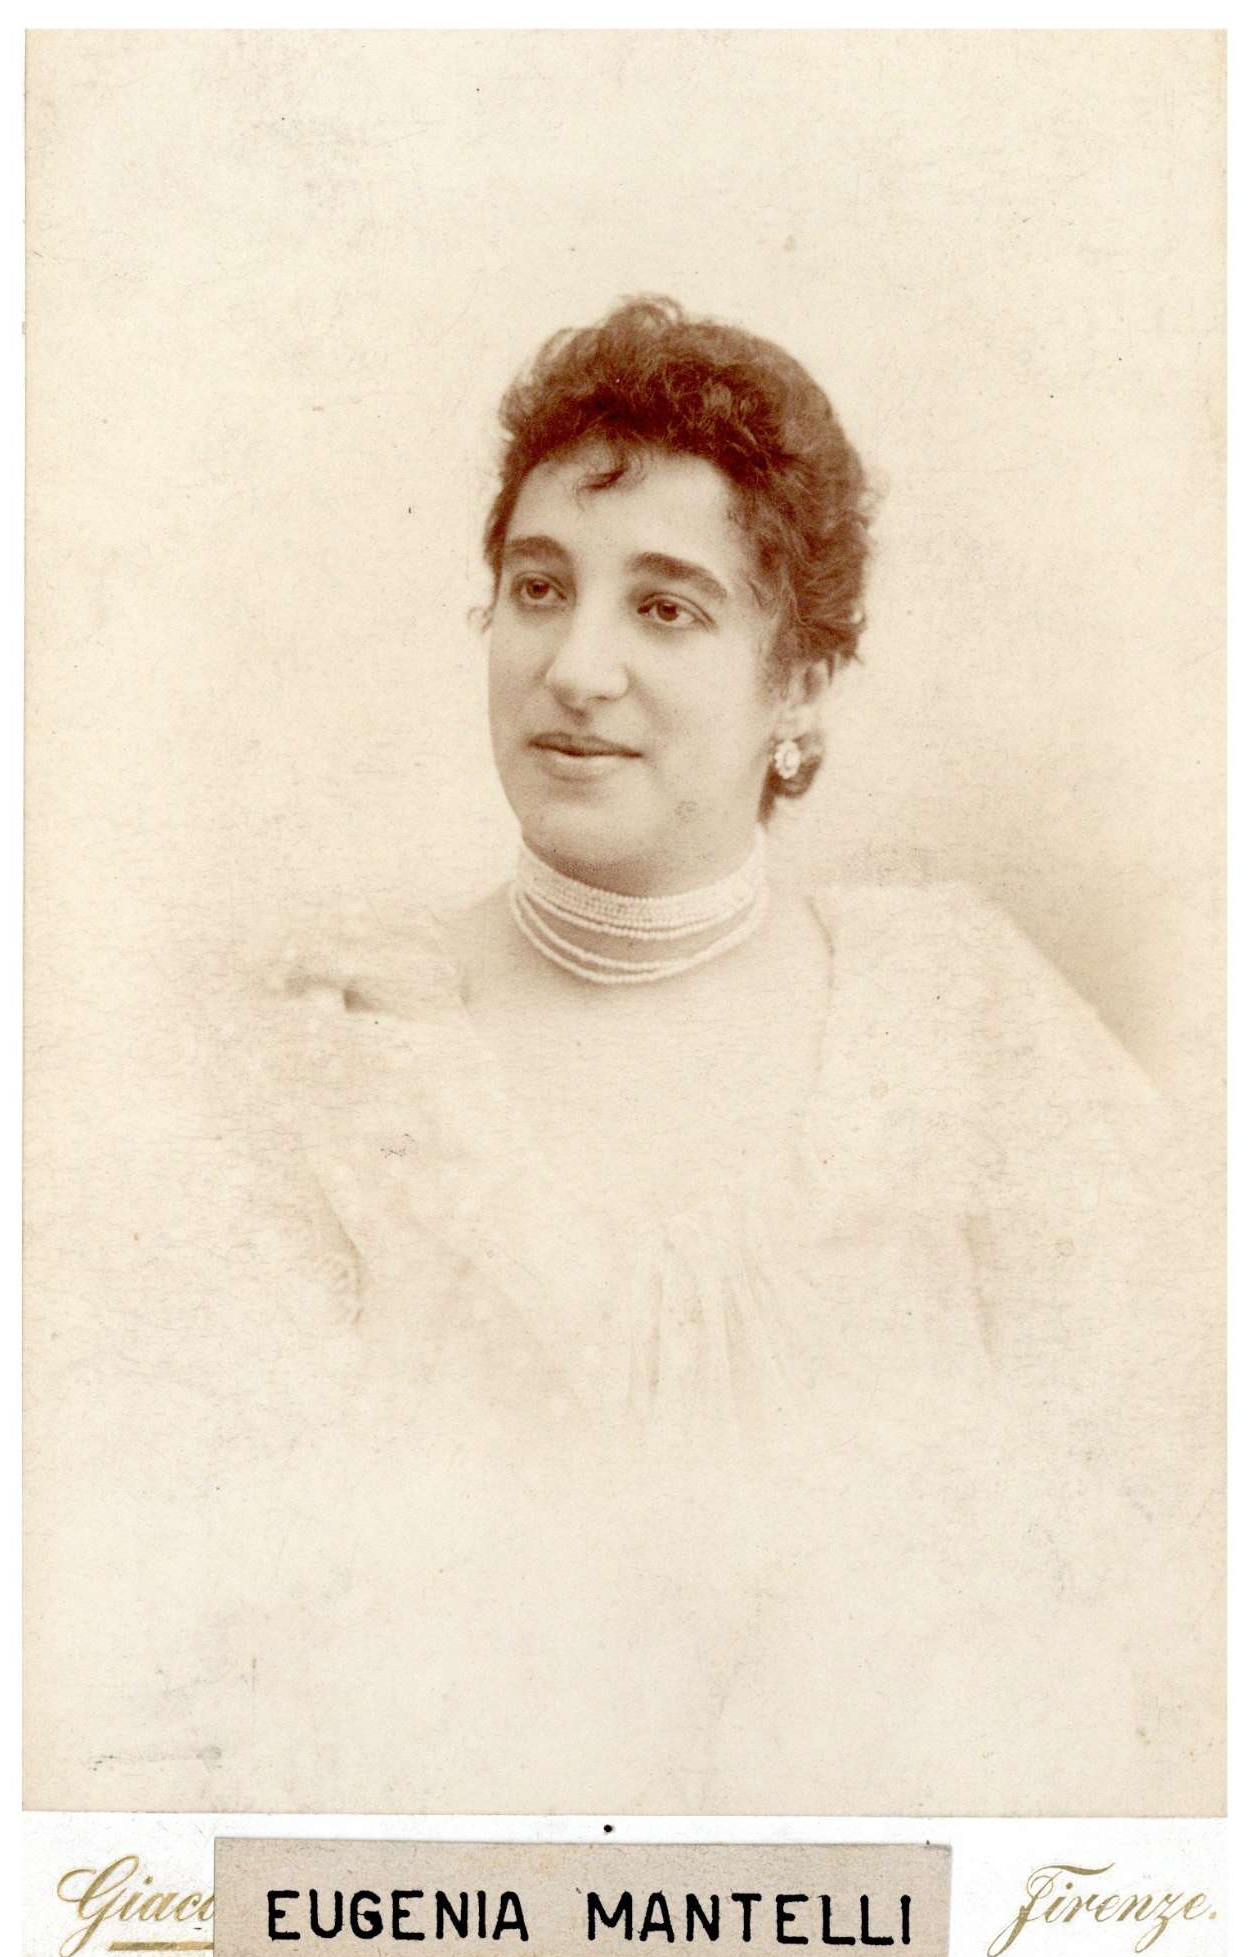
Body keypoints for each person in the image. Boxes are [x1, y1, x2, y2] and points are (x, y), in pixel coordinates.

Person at [214, 298, 1217, 1814]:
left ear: (797, 683)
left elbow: (1173, 1562)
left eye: (666, 609)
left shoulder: (959, 1017)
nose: (575, 667)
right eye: (538, 589)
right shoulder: (349, 1043)